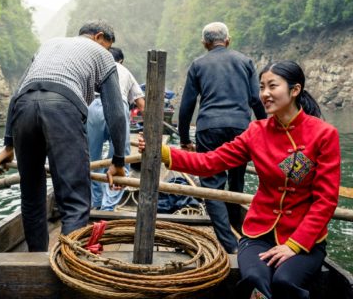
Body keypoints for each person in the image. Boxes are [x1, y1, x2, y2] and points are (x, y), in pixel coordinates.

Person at [139, 60, 341, 299]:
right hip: (258, 234)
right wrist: (162, 153)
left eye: (272, 86)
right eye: (261, 87)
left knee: (285, 281)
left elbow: (325, 200)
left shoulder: (324, 134)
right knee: (256, 280)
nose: (264, 94)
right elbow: (210, 162)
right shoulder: (256, 131)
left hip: (304, 238)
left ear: (295, 90)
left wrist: (294, 245)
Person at [0, 20, 127, 252]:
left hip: (24, 107)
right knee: (74, 200)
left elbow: (16, 95)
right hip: (62, 107)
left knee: (31, 194)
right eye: (107, 45)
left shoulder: (49, 45)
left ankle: (35, 260)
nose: (107, 50)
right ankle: (68, 264)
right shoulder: (102, 55)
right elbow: (115, 112)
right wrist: (118, 162)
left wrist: (8, 145)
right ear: (99, 37)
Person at [178, 21, 266, 254]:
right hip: (240, 128)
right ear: (227, 40)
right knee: (236, 180)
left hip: (209, 128)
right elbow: (256, 100)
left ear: (205, 43)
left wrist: (185, 138)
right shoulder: (245, 61)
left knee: (211, 184)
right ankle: (240, 229)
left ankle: (230, 244)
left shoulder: (198, 64)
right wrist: (267, 127)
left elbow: (187, 105)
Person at [88, 47, 145, 210]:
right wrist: (148, 134)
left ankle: (96, 202)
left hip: (92, 107)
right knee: (120, 158)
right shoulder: (124, 70)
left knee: (93, 158)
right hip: (117, 108)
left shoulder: (95, 68)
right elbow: (142, 105)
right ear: (121, 61)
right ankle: (108, 205)